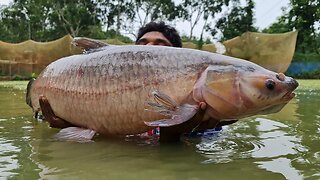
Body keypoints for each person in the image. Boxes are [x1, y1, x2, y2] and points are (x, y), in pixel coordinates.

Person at [38, 21, 237, 139]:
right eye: (143, 45)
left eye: (160, 45)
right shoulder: (108, 88)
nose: (150, 49)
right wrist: (72, 124)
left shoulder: (209, 119)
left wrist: (178, 137)